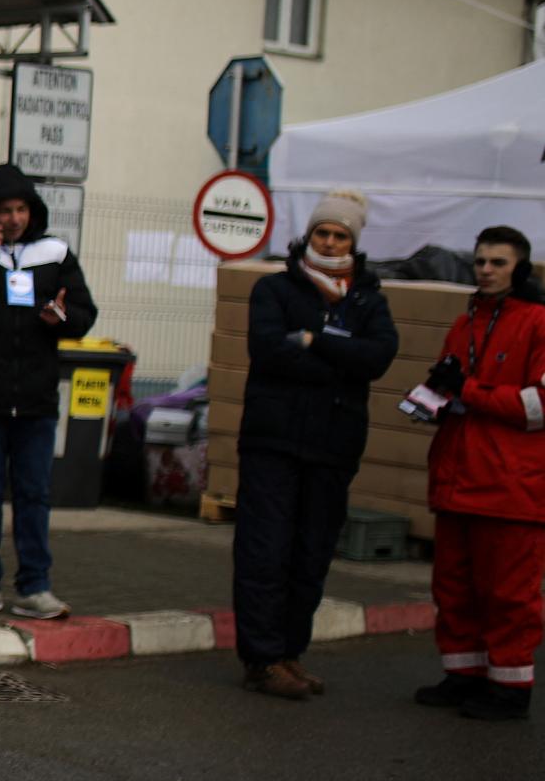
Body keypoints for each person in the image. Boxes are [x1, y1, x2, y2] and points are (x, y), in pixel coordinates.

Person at [230, 192, 397, 700]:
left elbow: (378, 357)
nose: (329, 241)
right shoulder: (274, 289)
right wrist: (340, 359)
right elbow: (269, 351)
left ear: (353, 241)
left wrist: (315, 340)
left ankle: (289, 653)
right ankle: (261, 659)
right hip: (273, 443)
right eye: (322, 232)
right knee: (266, 551)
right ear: (309, 235)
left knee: (311, 554)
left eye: (340, 234)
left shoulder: (369, 298)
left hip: (332, 446)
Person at [0, 164, 96, 619]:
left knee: (33, 494)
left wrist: (62, 319)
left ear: (33, 211)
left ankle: (35, 586)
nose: (13, 219)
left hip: (35, 399)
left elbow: (84, 311)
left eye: (20, 209)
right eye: (4, 210)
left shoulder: (56, 254)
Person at [417, 225, 545, 721]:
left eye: (498, 263)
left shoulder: (538, 322)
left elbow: (538, 405)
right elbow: (452, 383)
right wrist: (430, 399)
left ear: (521, 268)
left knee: (508, 594)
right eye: (480, 262)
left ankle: (510, 688)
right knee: (454, 588)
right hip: (458, 477)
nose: (486, 270)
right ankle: (463, 675)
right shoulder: (465, 321)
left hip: (511, 485)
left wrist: (466, 390)